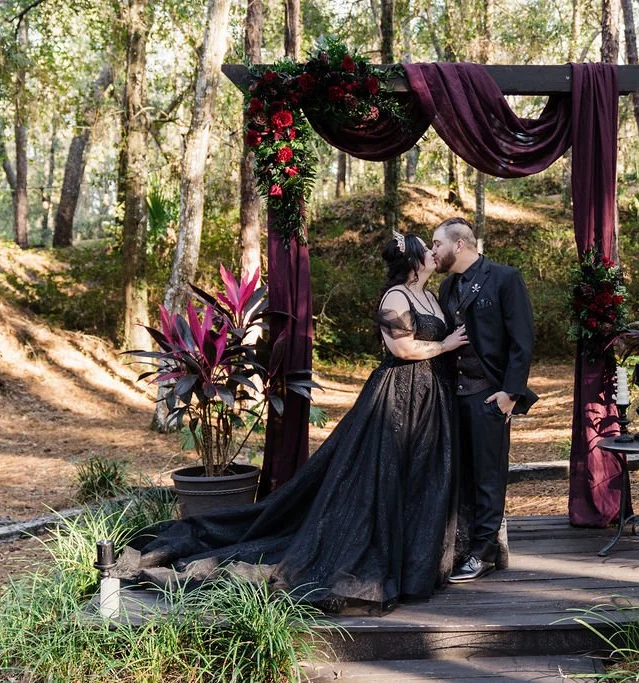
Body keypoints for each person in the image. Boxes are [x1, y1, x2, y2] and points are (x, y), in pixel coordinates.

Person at [114, 232, 469, 614]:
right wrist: (445, 346)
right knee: (383, 479)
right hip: (397, 397)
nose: (434, 253)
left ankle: (416, 564)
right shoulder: (395, 297)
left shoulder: (431, 296)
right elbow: (402, 348)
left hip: (433, 397)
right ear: (413, 259)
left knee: (421, 478)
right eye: (427, 248)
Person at [432, 217, 538, 583]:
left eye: (437, 244)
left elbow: (522, 340)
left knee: (488, 477)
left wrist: (510, 393)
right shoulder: (446, 287)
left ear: (459, 244)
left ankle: (483, 553)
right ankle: (468, 545)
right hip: (452, 397)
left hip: (489, 395)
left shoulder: (505, 278)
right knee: (462, 475)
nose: (434, 251)